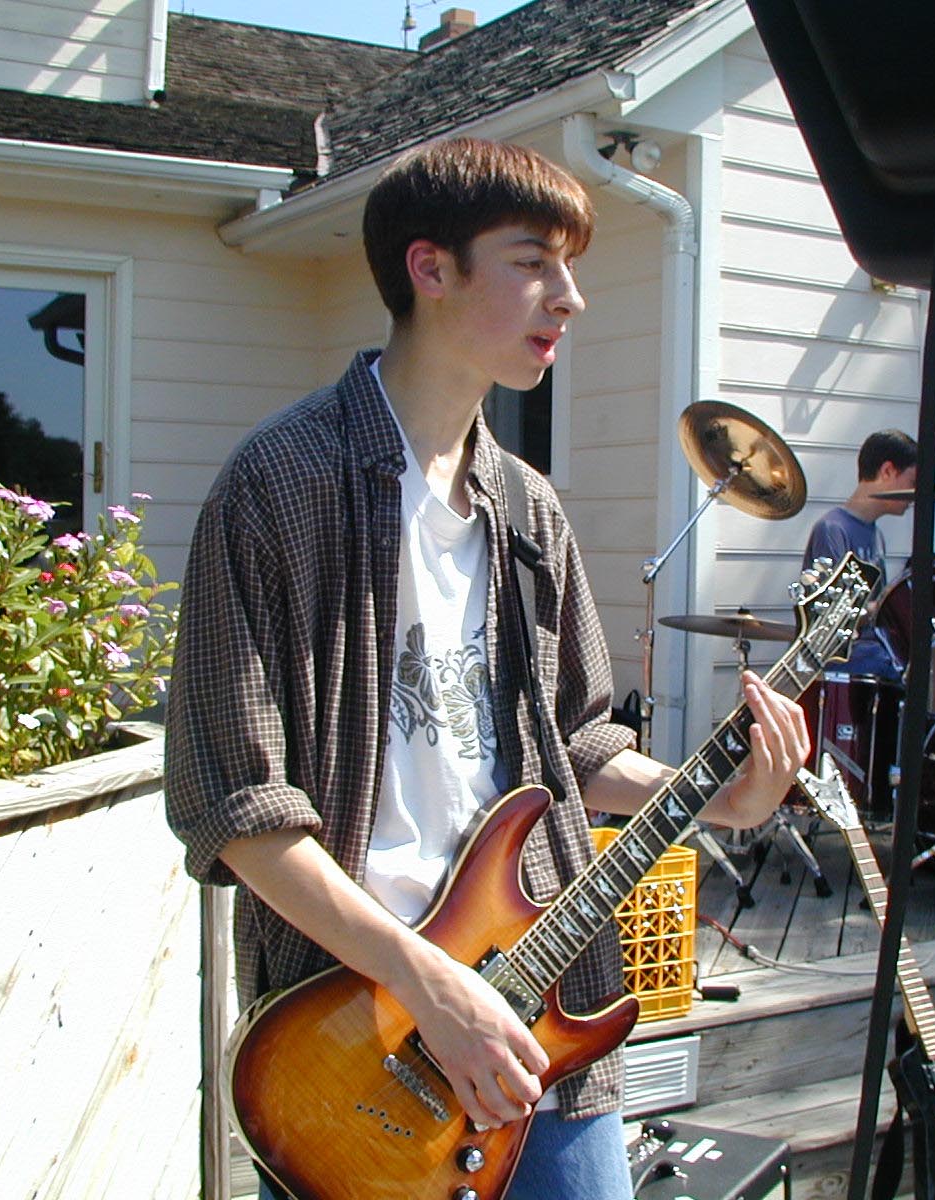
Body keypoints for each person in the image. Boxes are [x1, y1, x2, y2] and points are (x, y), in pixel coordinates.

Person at [164, 137, 812, 1200]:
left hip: (542, 1007)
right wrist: (427, 984)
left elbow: (579, 743)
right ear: (430, 268)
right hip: (356, 1040)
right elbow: (234, 806)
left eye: (571, 266)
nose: (570, 297)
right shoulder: (279, 486)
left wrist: (716, 796)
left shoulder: (528, 509)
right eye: (532, 262)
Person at [801, 429, 919, 681]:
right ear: (887, 471)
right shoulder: (832, 529)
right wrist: (888, 607)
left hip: (871, 658)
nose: (915, 495)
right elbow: (831, 616)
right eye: (912, 483)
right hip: (842, 667)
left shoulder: (876, 535)